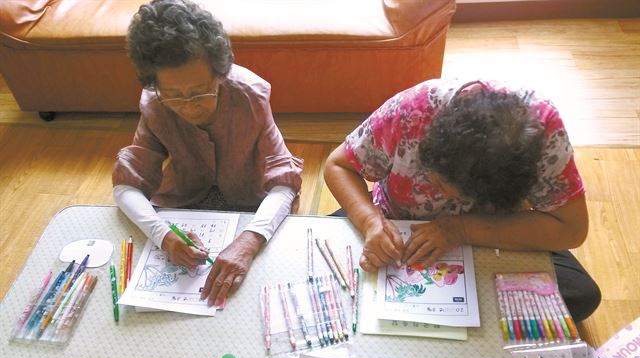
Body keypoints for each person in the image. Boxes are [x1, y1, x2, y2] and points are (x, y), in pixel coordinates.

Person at [324, 78, 601, 322]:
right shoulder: (413, 111)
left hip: (495, 237)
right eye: (437, 183)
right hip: (396, 223)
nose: (445, 199)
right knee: (325, 269)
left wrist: (462, 230)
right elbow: (338, 166)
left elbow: (572, 228)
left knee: (580, 293)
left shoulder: (545, 135)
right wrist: (371, 222)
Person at [113, 0, 302, 307]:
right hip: (186, 201)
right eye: (173, 95)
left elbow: (284, 184)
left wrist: (250, 240)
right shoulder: (154, 103)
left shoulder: (251, 96)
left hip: (252, 204)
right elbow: (125, 188)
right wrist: (163, 235)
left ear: (220, 73)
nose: (189, 106)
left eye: (200, 91)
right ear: (154, 82)